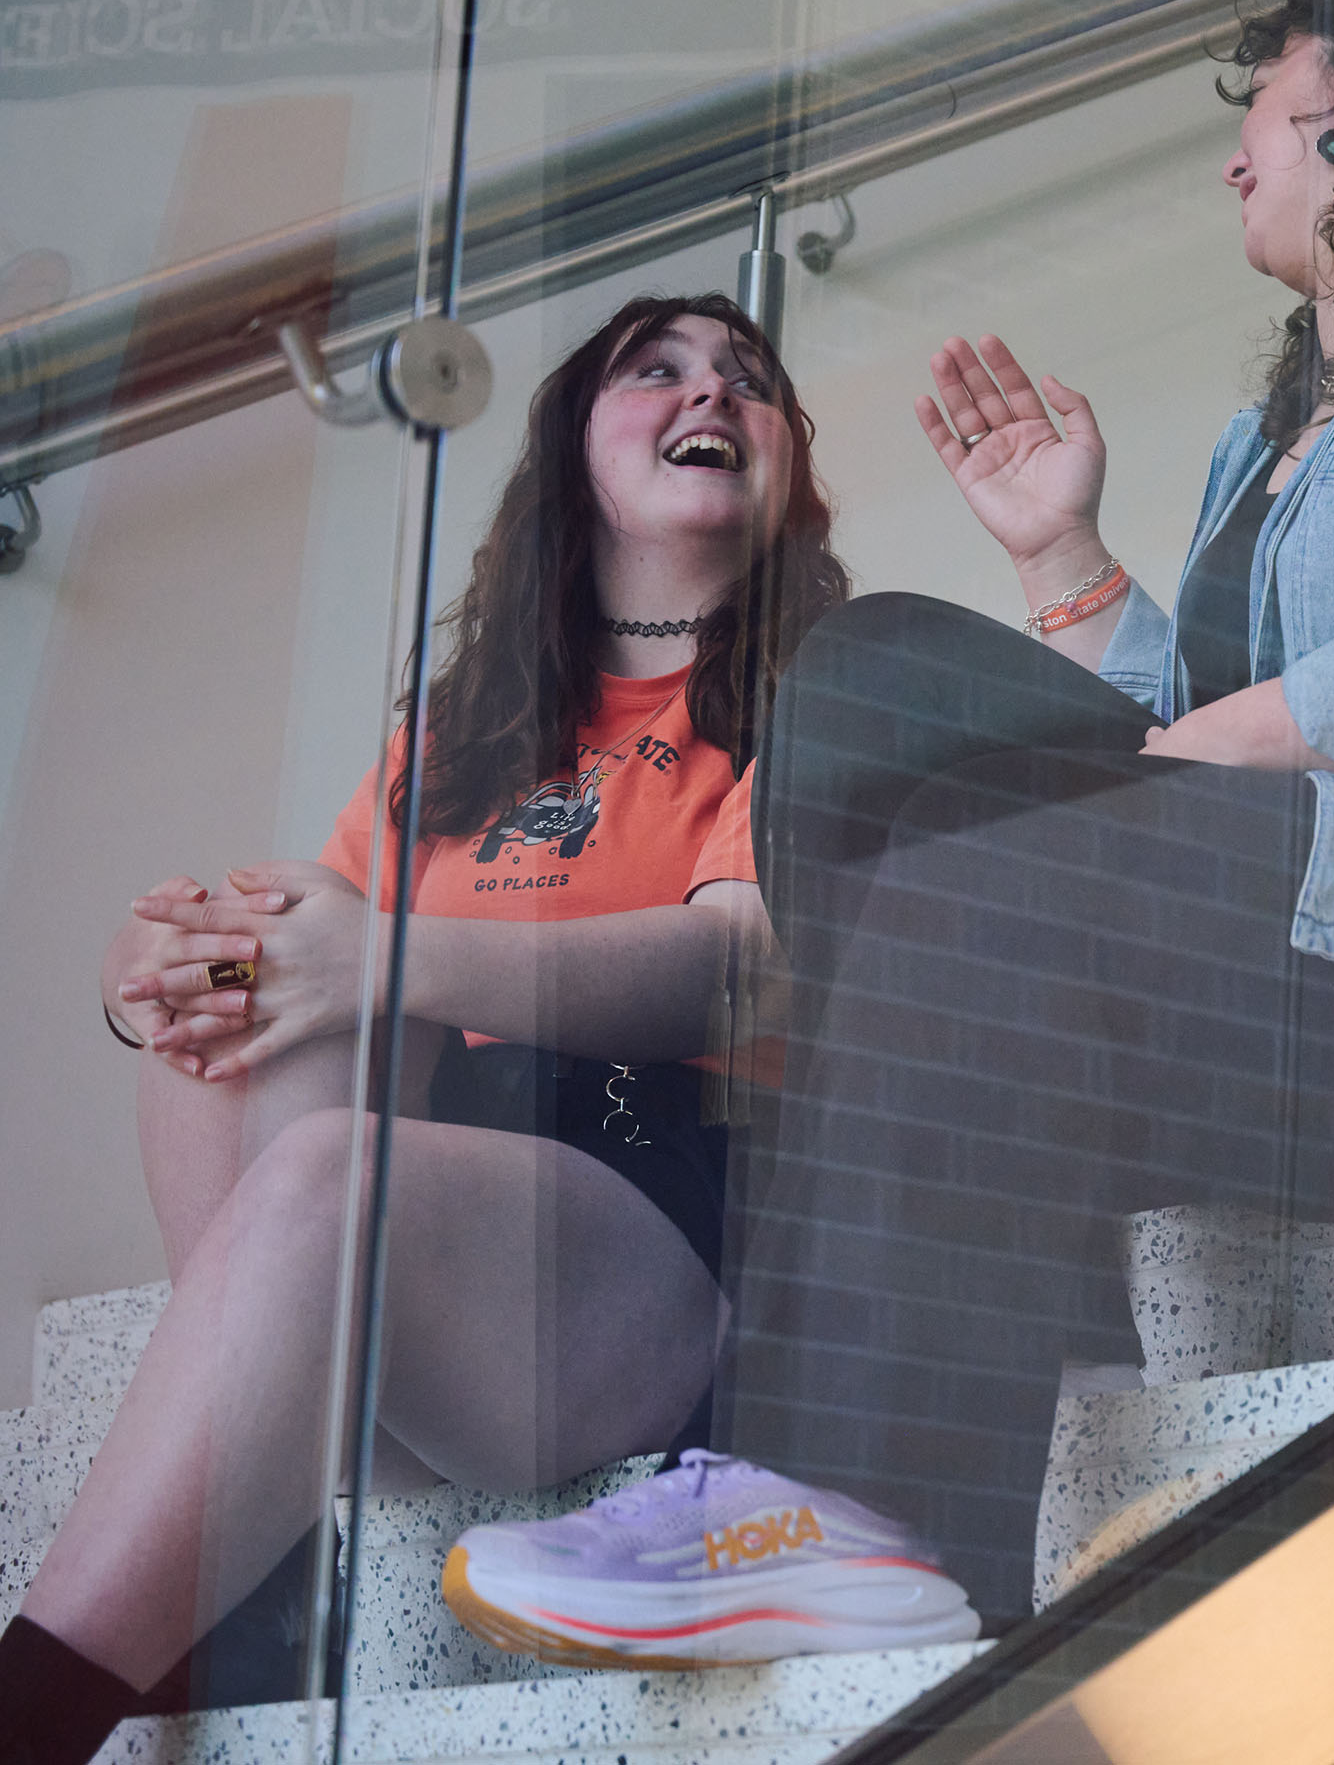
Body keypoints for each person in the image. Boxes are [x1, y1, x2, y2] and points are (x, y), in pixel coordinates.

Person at [478, 0, 1334, 1628]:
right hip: (1296, 955)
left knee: (936, 822)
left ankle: (883, 1441)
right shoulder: (1265, 437)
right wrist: (1065, 561)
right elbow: (1188, 756)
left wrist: (1207, 743)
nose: (1233, 163)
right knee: (878, 694)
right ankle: (887, 1440)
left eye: (1268, 119)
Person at [0, 297, 974, 1765]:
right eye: (659, 369)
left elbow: (733, 972)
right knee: (231, 1027)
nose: (711, 389)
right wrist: (163, 974)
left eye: (749, 380)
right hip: (457, 1283)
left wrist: (380, 953)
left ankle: (41, 1708)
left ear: (787, 468)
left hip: (683, 1229)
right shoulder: (458, 740)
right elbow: (310, 963)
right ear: (575, 451)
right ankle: (246, 1542)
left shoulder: (828, 685)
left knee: (334, 1162)